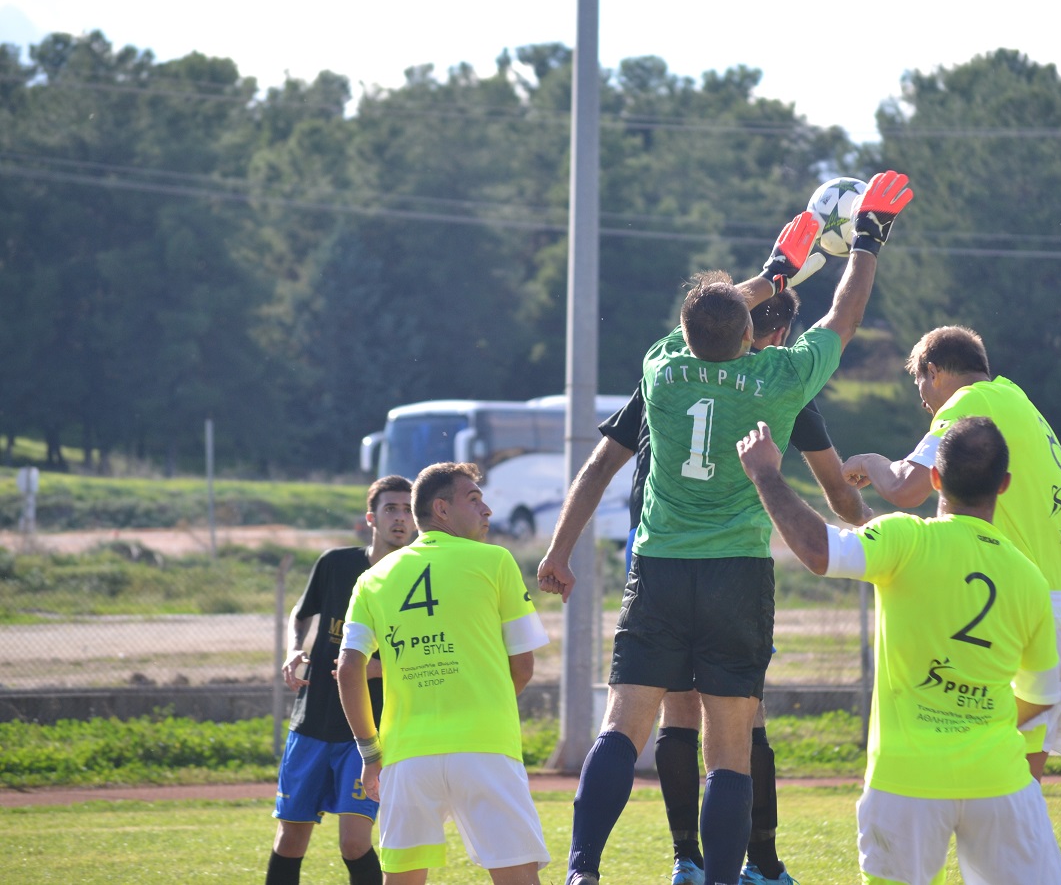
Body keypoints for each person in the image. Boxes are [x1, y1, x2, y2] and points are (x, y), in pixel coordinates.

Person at [540, 170, 914, 885]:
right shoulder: (779, 380)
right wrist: (867, 239)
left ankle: (583, 870)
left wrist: (770, 274)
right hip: (735, 574)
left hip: (658, 568)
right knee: (730, 749)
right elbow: (843, 317)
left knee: (624, 726)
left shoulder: (661, 369)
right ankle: (721, 877)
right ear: (752, 333)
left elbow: (704, 324)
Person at [738, 415, 1061, 884]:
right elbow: (1040, 695)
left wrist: (767, 475)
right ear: (1005, 485)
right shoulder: (1030, 578)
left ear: (935, 477)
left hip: (905, 780)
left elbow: (818, 551)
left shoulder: (905, 537)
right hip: (1000, 782)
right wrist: (976, 722)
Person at [840, 325, 1061, 780]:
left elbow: (904, 488)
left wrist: (866, 463)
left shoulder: (966, 404)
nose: (923, 399)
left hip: (1025, 612)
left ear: (933, 372)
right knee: (1019, 791)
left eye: (920, 382)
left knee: (979, 781)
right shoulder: (1017, 399)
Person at [337, 462, 551, 885]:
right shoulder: (496, 561)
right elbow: (523, 666)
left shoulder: (371, 578)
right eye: (474, 499)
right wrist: (483, 703)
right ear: (441, 509)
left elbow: (347, 670)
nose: (487, 510)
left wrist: (370, 755)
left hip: (405, 757)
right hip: (485, 747)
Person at [266, 475, 414, 885]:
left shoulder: (417, 579)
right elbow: (302, 611)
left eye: (407, 510)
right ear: (371, 517)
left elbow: (429, 653)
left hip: (367, 731)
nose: (400, 519)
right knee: (290, 840)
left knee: (354, 842)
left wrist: (376, 669)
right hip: (312, 723)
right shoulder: (335, 564)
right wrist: (295, 648)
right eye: (391, 509)